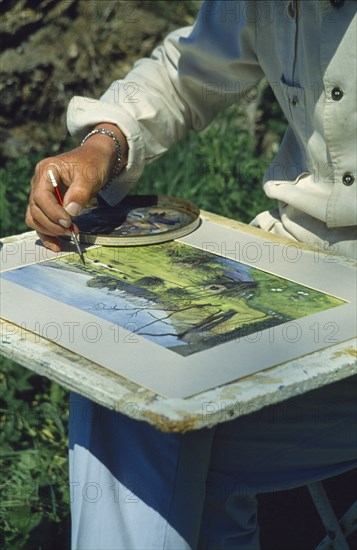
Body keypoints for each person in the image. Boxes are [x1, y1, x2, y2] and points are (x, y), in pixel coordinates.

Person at [26, 1, 356, 548]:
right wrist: (103, 141)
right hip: (290, 263)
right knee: (130, 386)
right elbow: (188, 69)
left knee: (164, 447)